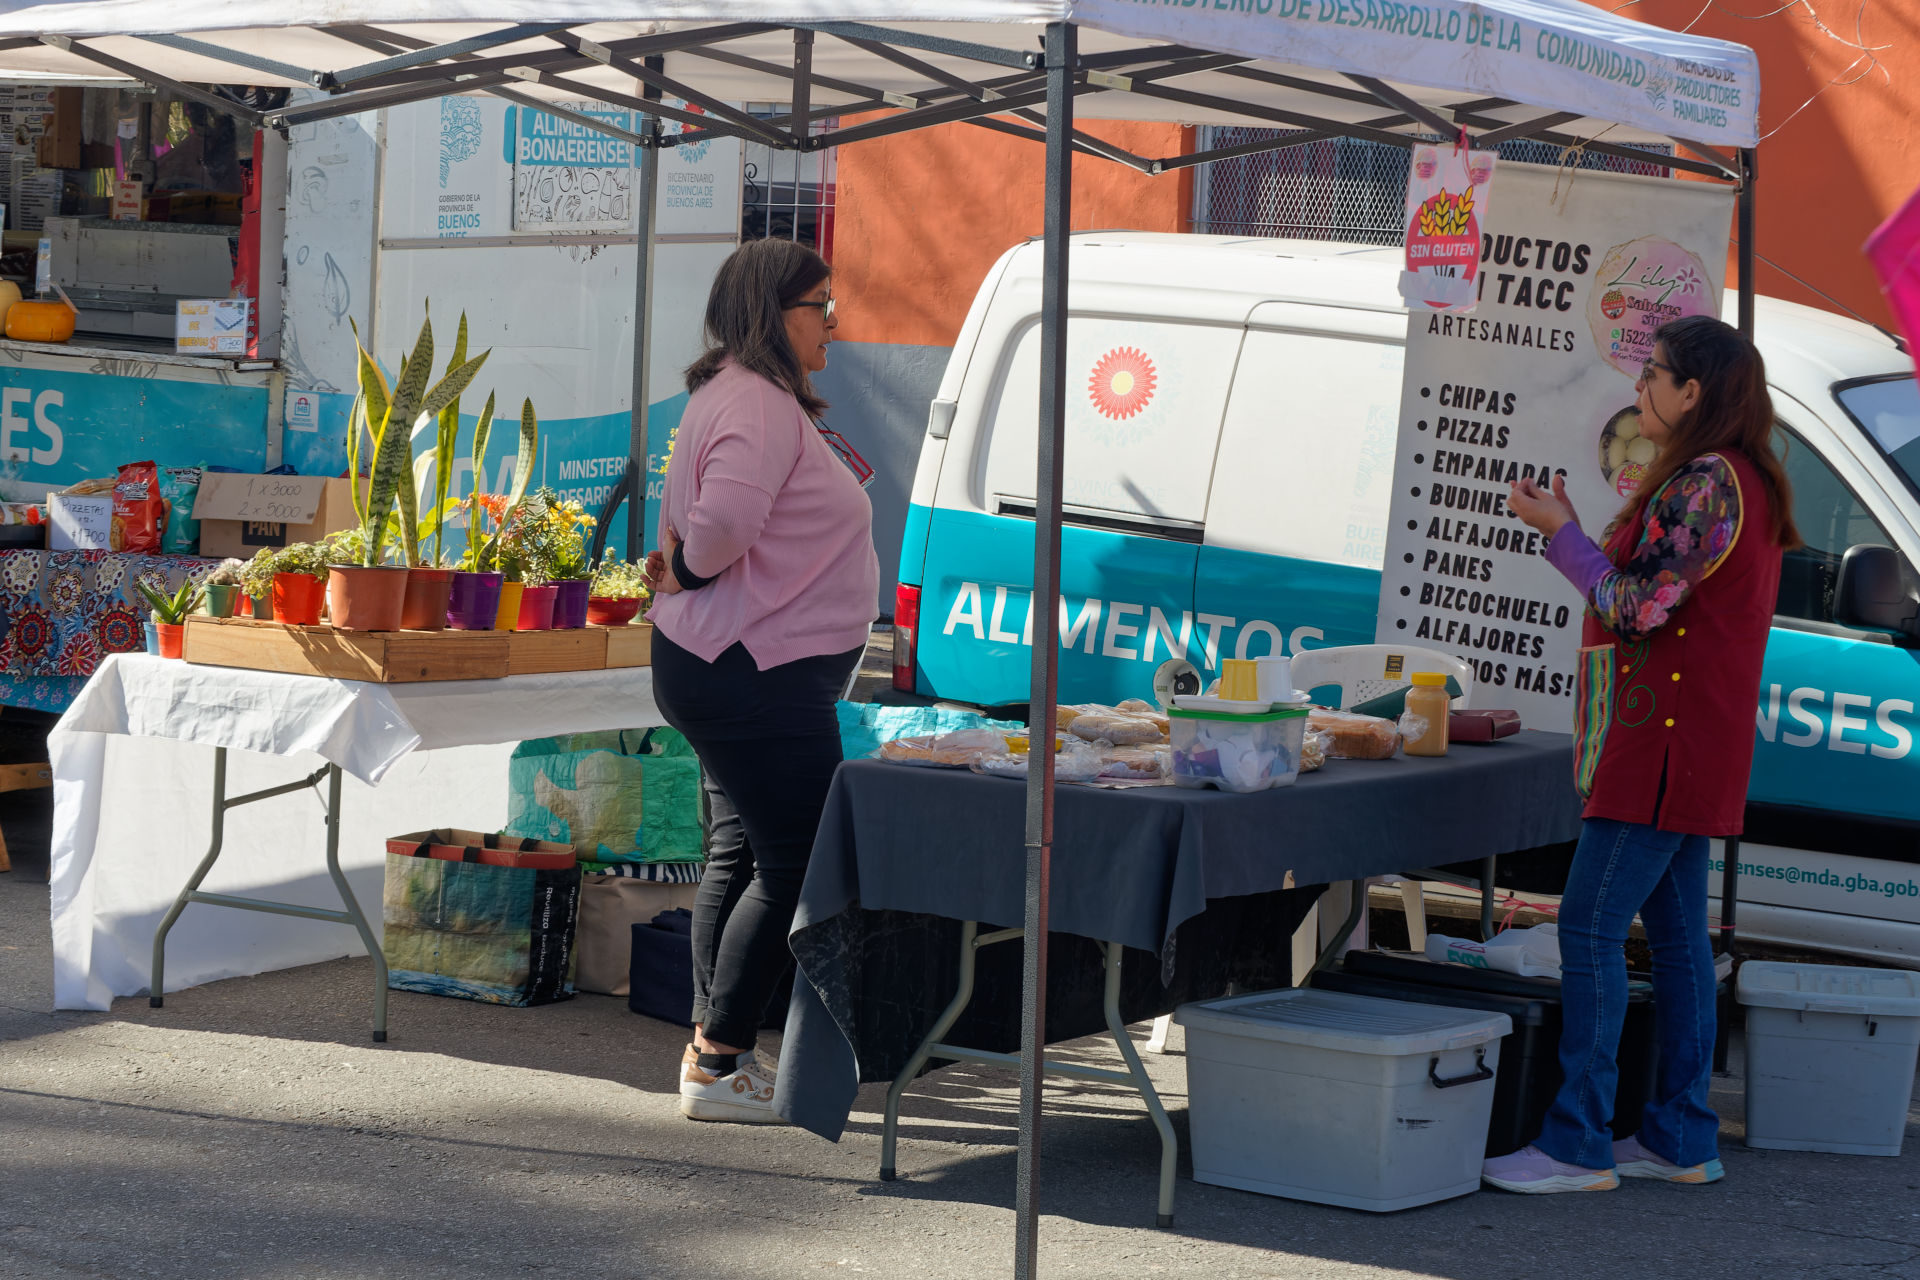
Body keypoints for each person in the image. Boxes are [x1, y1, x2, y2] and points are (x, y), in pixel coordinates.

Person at [1483, 315, 1799, 1192]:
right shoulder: (1738, 478)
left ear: (1693, 392)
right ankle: (1679, 1133)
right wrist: (1574, 530)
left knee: (1587, 927)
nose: (1639, 386)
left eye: (1653, 373)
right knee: (1676, 940)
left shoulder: (1708, 481)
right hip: (1685, 742)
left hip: (1662, 744)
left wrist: (1562, 534)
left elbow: (1636, 608)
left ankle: (1577, 1140)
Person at [642, 238, 878, 1123]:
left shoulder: (744, 394)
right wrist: (684, 570)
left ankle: (714, 1048)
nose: (834, 322)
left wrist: (684, 569)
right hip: (752, 673)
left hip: (738, 666)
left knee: (744, 852)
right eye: (821, 304)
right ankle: (718, 1060)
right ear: (772, 314)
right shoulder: (757, 402)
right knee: (799, 862)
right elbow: (721, 527)